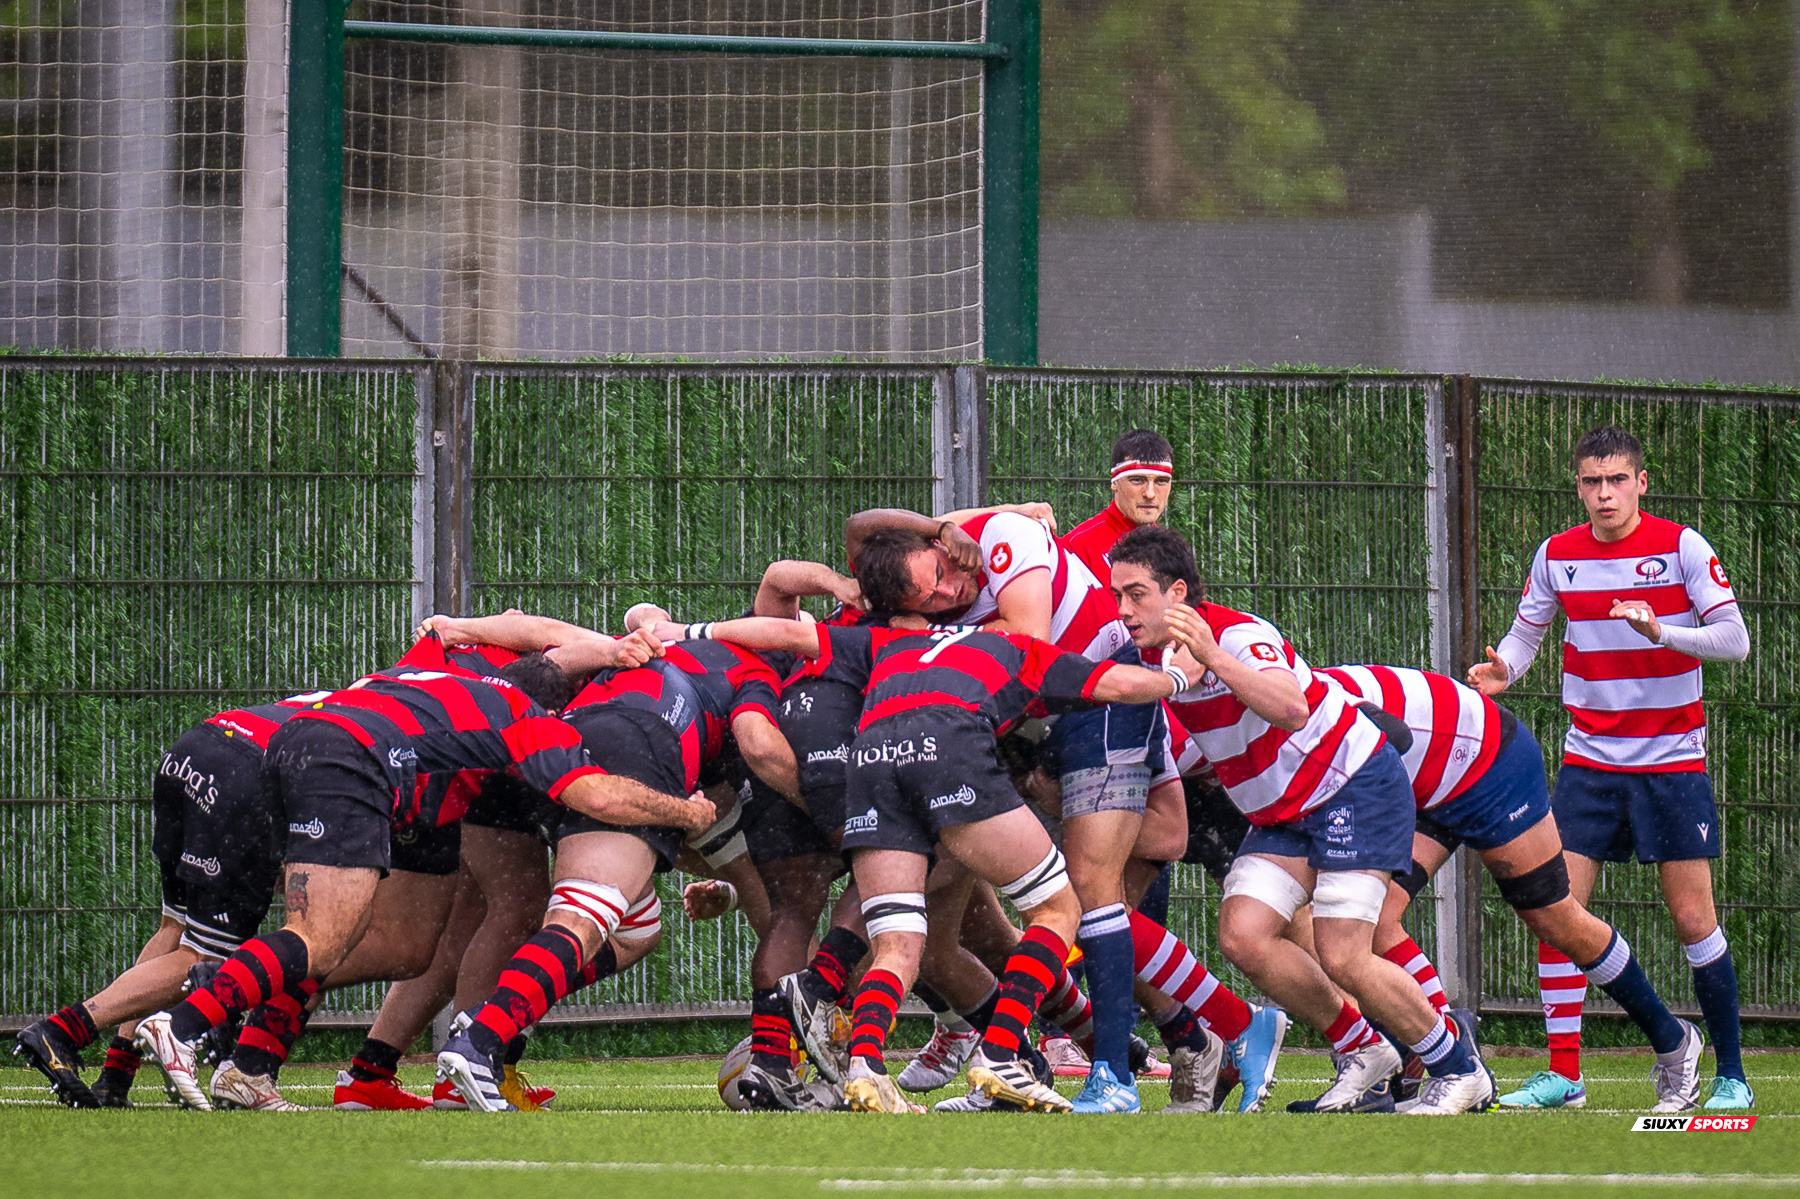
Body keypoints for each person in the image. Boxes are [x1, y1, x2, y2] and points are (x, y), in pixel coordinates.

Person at [657, 611, 1207, 1114]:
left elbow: (787, 631)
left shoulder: (891, 644)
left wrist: (689, 633)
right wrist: (1182, 675)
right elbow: (1120, 684)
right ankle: (1000, 1056)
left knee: (900, 943)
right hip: (949, 753)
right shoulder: (1015, 646)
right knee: (1057, 908)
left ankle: (864, 1060)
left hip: (871, 759)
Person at [132, 629, 683, 1111]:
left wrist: (463, 627)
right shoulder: (525, 716)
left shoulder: (434, 668)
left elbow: (503, 639)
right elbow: (600, 798)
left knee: (367, 941)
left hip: (295, 746)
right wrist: (688, 810)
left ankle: (247, 1062)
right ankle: (187, 1019)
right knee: (323, 939)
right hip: (352, 763)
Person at [1113, 524, 1496, 1116]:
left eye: (1136, 594)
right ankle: (1362, 1048)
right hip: (1286, 811)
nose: (1124, 610)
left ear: (1179, 595)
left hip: (1352, 785)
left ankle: (1456, 1067)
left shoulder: (1239, 635)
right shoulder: (1153, 660)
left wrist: (1210, 655)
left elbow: (1291, 707)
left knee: (1343, 952)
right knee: (1243, 935)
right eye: (1118, 596)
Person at [1467, 426, 1752, 1112]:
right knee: (1555, 911)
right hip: (1588, 763)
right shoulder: (1556, 555)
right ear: (1578, 487)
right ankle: (1565, 1073)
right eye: (1592, 482)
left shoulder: (1682, 546)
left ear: (1641, 482)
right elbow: (1527, 632)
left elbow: (1735, 640)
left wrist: (1664, 632)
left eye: (1616, 480)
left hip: (1673, 760)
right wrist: (1506, 666)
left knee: (1692, 917)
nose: (1604, 494)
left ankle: (1731, 1076)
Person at [435, 622, 797, 1111]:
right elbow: (749, 761)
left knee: (636, 930)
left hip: (572, 741)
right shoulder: (759, 674)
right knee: (583, 916)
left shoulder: (674, 647)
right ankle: (480, 1038)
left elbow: (684, 841)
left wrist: (459, 627)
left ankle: (493, 1012)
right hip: (633, 742)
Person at [1322, 662, 1704, 1112]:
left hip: (1488, 764)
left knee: (1556, 918)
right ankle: (1455, 1056)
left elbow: (1386, 740)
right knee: (1375, 916)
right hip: (1424, 779)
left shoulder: (1296, 706)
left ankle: (1675, 1042)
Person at [1060, 428, 1176, 586]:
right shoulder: (1076, 548)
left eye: (1161, 481)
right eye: (1137, 480)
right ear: (1114, 482)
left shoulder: (1171, 549)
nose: (1150, 493)